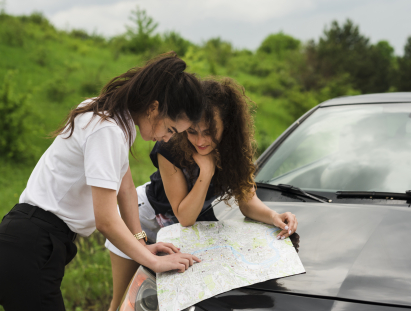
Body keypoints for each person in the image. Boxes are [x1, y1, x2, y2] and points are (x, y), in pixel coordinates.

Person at [0, 52, 203, 311]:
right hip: (33, 245)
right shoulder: (107, 129)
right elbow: (106, 220)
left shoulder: (114, 120)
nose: (166, 139)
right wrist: (153, 262)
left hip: (30, 242)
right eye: (171, 129)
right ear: (154, 108)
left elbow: (126, 190)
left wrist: (142, 243)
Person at [105, 78, 298, 310]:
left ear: (227, 124)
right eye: (193, 132)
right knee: (126, 301)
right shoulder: (169, 147)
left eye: (209, 132)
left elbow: (247, 202)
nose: (200, 141)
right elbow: (185, 215)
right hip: (141, 221)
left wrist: (273, 216)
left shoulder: (233, 148)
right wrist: (206, 170)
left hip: (180, 232)